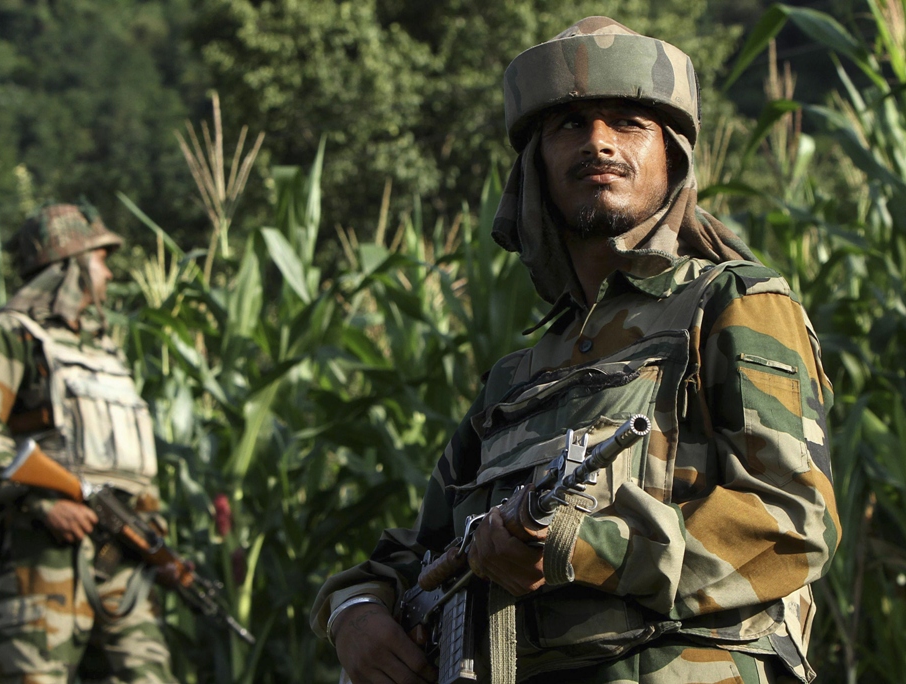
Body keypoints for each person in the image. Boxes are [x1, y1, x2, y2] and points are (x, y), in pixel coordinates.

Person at [311, 17, 841, 684]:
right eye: (569, 125)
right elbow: (426, 552)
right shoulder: (515, 378)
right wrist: (355, 610)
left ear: (672, 154)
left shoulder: (732, 303)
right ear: (536, 167)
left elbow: (790, 524)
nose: (597, 142)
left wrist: (582, 547)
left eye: (627, 122)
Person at [0, 202, 176, 683]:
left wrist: (156, 538)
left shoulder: (103, 348)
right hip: (46, 561)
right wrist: (41, 503)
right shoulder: (13, 334)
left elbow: (133, 457)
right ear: (69, 265)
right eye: (101, 258)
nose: (110, 271)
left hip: (124, 562)